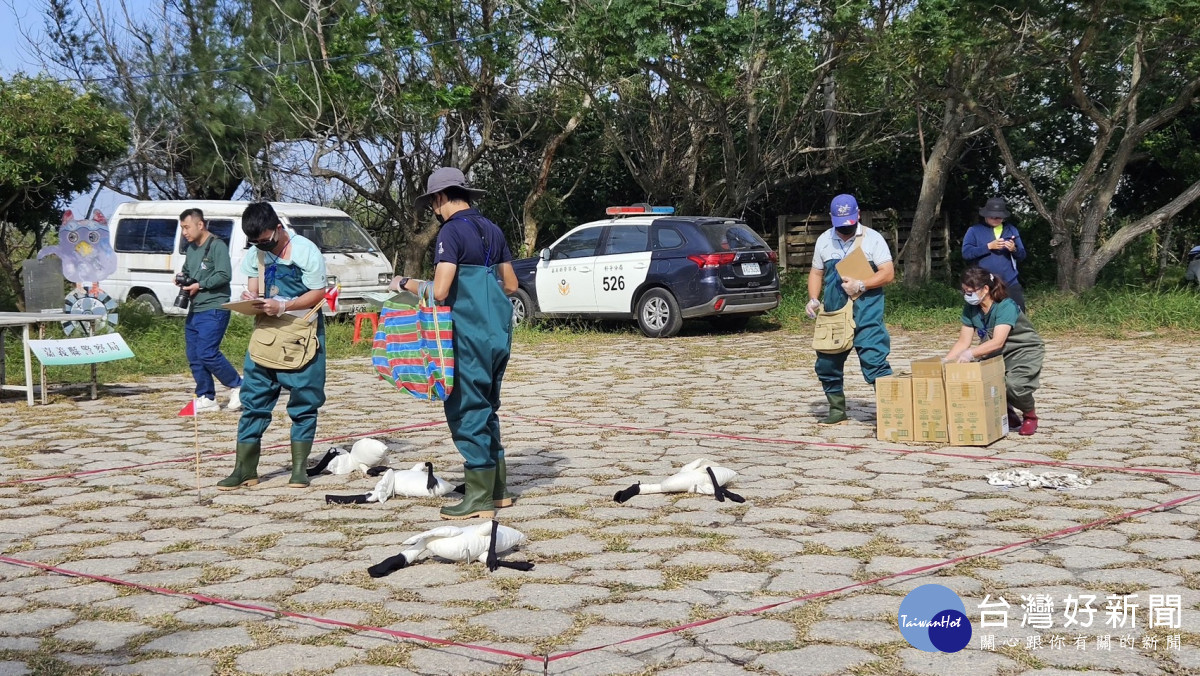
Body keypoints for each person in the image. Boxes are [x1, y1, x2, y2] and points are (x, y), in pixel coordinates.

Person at [390, 167, 518, 519]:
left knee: (465, 410)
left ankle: (478, 498)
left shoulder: (451, 231)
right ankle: (498, 491)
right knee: (487, 407)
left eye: (433, 202)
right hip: (498, 333)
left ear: (439, 198)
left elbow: (442, 290)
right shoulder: (492, 228)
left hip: (467, 334)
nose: (434, 209)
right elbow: (510, 284)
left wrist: (405, 283)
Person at [218, 202, 328, 490]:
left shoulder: (306, 251)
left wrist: (285, 305)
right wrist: (250, 296)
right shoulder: (257, 253)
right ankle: (245, 469)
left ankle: (300, 470)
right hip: (266, 335)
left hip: (301, 333)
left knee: (304, 402)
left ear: (278, 228)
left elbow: (319, 293)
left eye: (265, 240)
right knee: (253, 401)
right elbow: (253, 285)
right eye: (254, 242)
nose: (261, 246)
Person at [806, 194, 896, 424]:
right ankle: (837, 410)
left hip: (868, 310)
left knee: (875, 359)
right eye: (840, 225)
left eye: (849, 223)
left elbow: (888, 272)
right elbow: (817, 272)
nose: (844, 230)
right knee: (826, 361)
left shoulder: (873, 239)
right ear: (831, 218)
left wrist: (862, 284)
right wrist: (814, 299)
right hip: (834, 312)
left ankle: (892, 413)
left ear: (857, 214)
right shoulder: (824, 240)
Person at [943, 266, 1045, 436]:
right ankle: (1006, 413)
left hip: (1023, 350)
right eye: (964, 292)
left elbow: (998, 341)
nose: (968, 296)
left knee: (1014, 385)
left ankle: (1030, 415)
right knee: (981, 379)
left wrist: (971, 354)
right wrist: (946, 361)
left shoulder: (1006, 305)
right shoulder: (971, 309)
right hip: (997, 352)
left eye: (971, 291)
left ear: (985, 289)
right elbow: (963, 341)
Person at [179, 209, 242, 413]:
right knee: (194, 355)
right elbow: (188, 271)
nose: (184, 232)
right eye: (182, 228)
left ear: (200, 225)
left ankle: (238, 386)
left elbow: (225, 275)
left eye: (186, 227)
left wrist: (201, 285)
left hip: (214, 307)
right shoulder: (191, 248)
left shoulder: (217, 245)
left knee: (207, 352)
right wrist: (182, 278)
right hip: (196, 308)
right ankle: (206, 397)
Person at [962, 197, 1028, 311]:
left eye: (999, 216)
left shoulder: (1011, 229)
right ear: (986, 215)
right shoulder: (974, 230)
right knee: (987, 316)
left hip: (1010, 281)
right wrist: (988, 247)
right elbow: (966, 253)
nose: (996, 218)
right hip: (984, 283)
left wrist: (1014, 249)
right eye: (993, 216)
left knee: (1018, 315)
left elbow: (1022, 255)